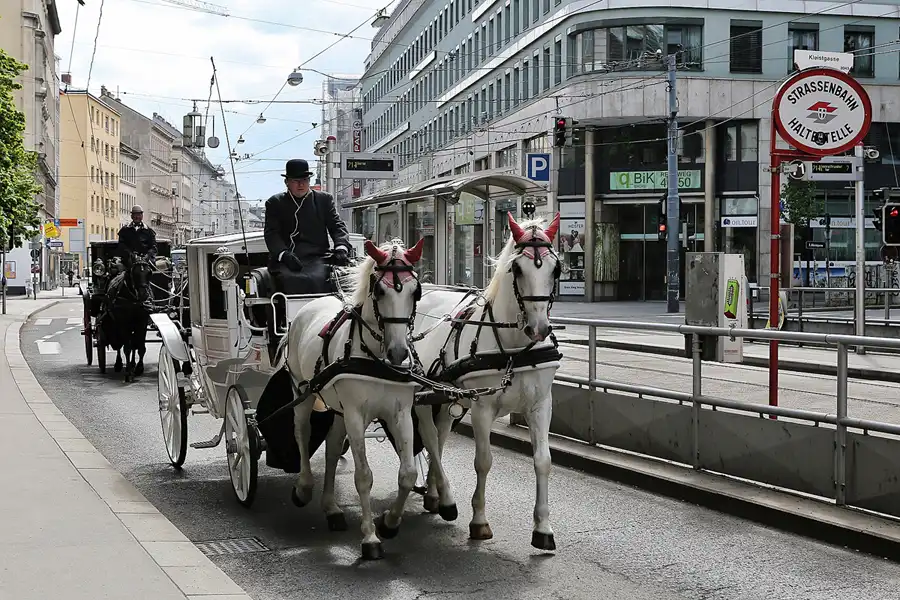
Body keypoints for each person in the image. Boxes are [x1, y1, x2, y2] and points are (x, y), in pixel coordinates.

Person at [264, 159, 351, 294]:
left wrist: (341, 247)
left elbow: (337, 225)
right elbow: (272, 234)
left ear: (309, 181)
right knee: (288, 279)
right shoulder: (275, 203)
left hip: (319, 257)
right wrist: (283, 254)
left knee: (326, 278)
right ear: (287, 182)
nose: (301, 184)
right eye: (295, 181)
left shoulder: (324, 200)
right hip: (288, 259)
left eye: (304, 180)